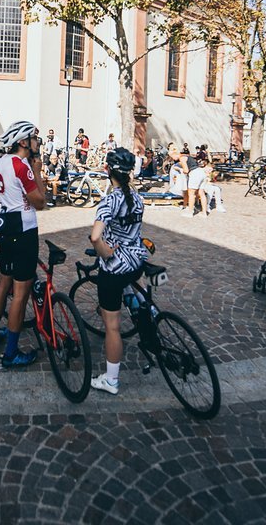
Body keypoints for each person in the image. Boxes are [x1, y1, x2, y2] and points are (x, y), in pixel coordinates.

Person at [0, 121, 46, 369]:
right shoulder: (22, 165)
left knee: (4, 280)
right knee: (21, 292)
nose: (37, 143)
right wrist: (38, 172)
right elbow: (40, 202)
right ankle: (11, 353)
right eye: (34, 138)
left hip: (5, 222)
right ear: (23, 142)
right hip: (23, 227)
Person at [89, 148, 149, 395]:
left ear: (107, 170)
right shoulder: (138, 198)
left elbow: (95, 237)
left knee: (112, 326)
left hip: (115, 268)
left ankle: (111, 380)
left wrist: (105, 253)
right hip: (137, 261)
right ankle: (146, 314)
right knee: (137, 292)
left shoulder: (109, 200)